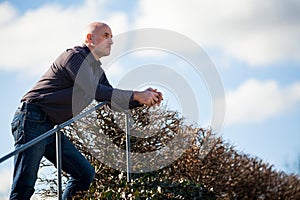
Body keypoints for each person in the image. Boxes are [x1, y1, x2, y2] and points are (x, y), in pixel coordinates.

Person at [9, 22, 163, 200]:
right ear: (90, 38)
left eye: (112, 37)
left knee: (84, 173)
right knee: (24, 186)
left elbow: (111, 101)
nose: (111, 41)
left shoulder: (97, 70)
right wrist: (137, 94)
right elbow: (96, 91)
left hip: (50, 127)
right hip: (32, 118)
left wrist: (143, 100)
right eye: (106, 36)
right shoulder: (74, 56)